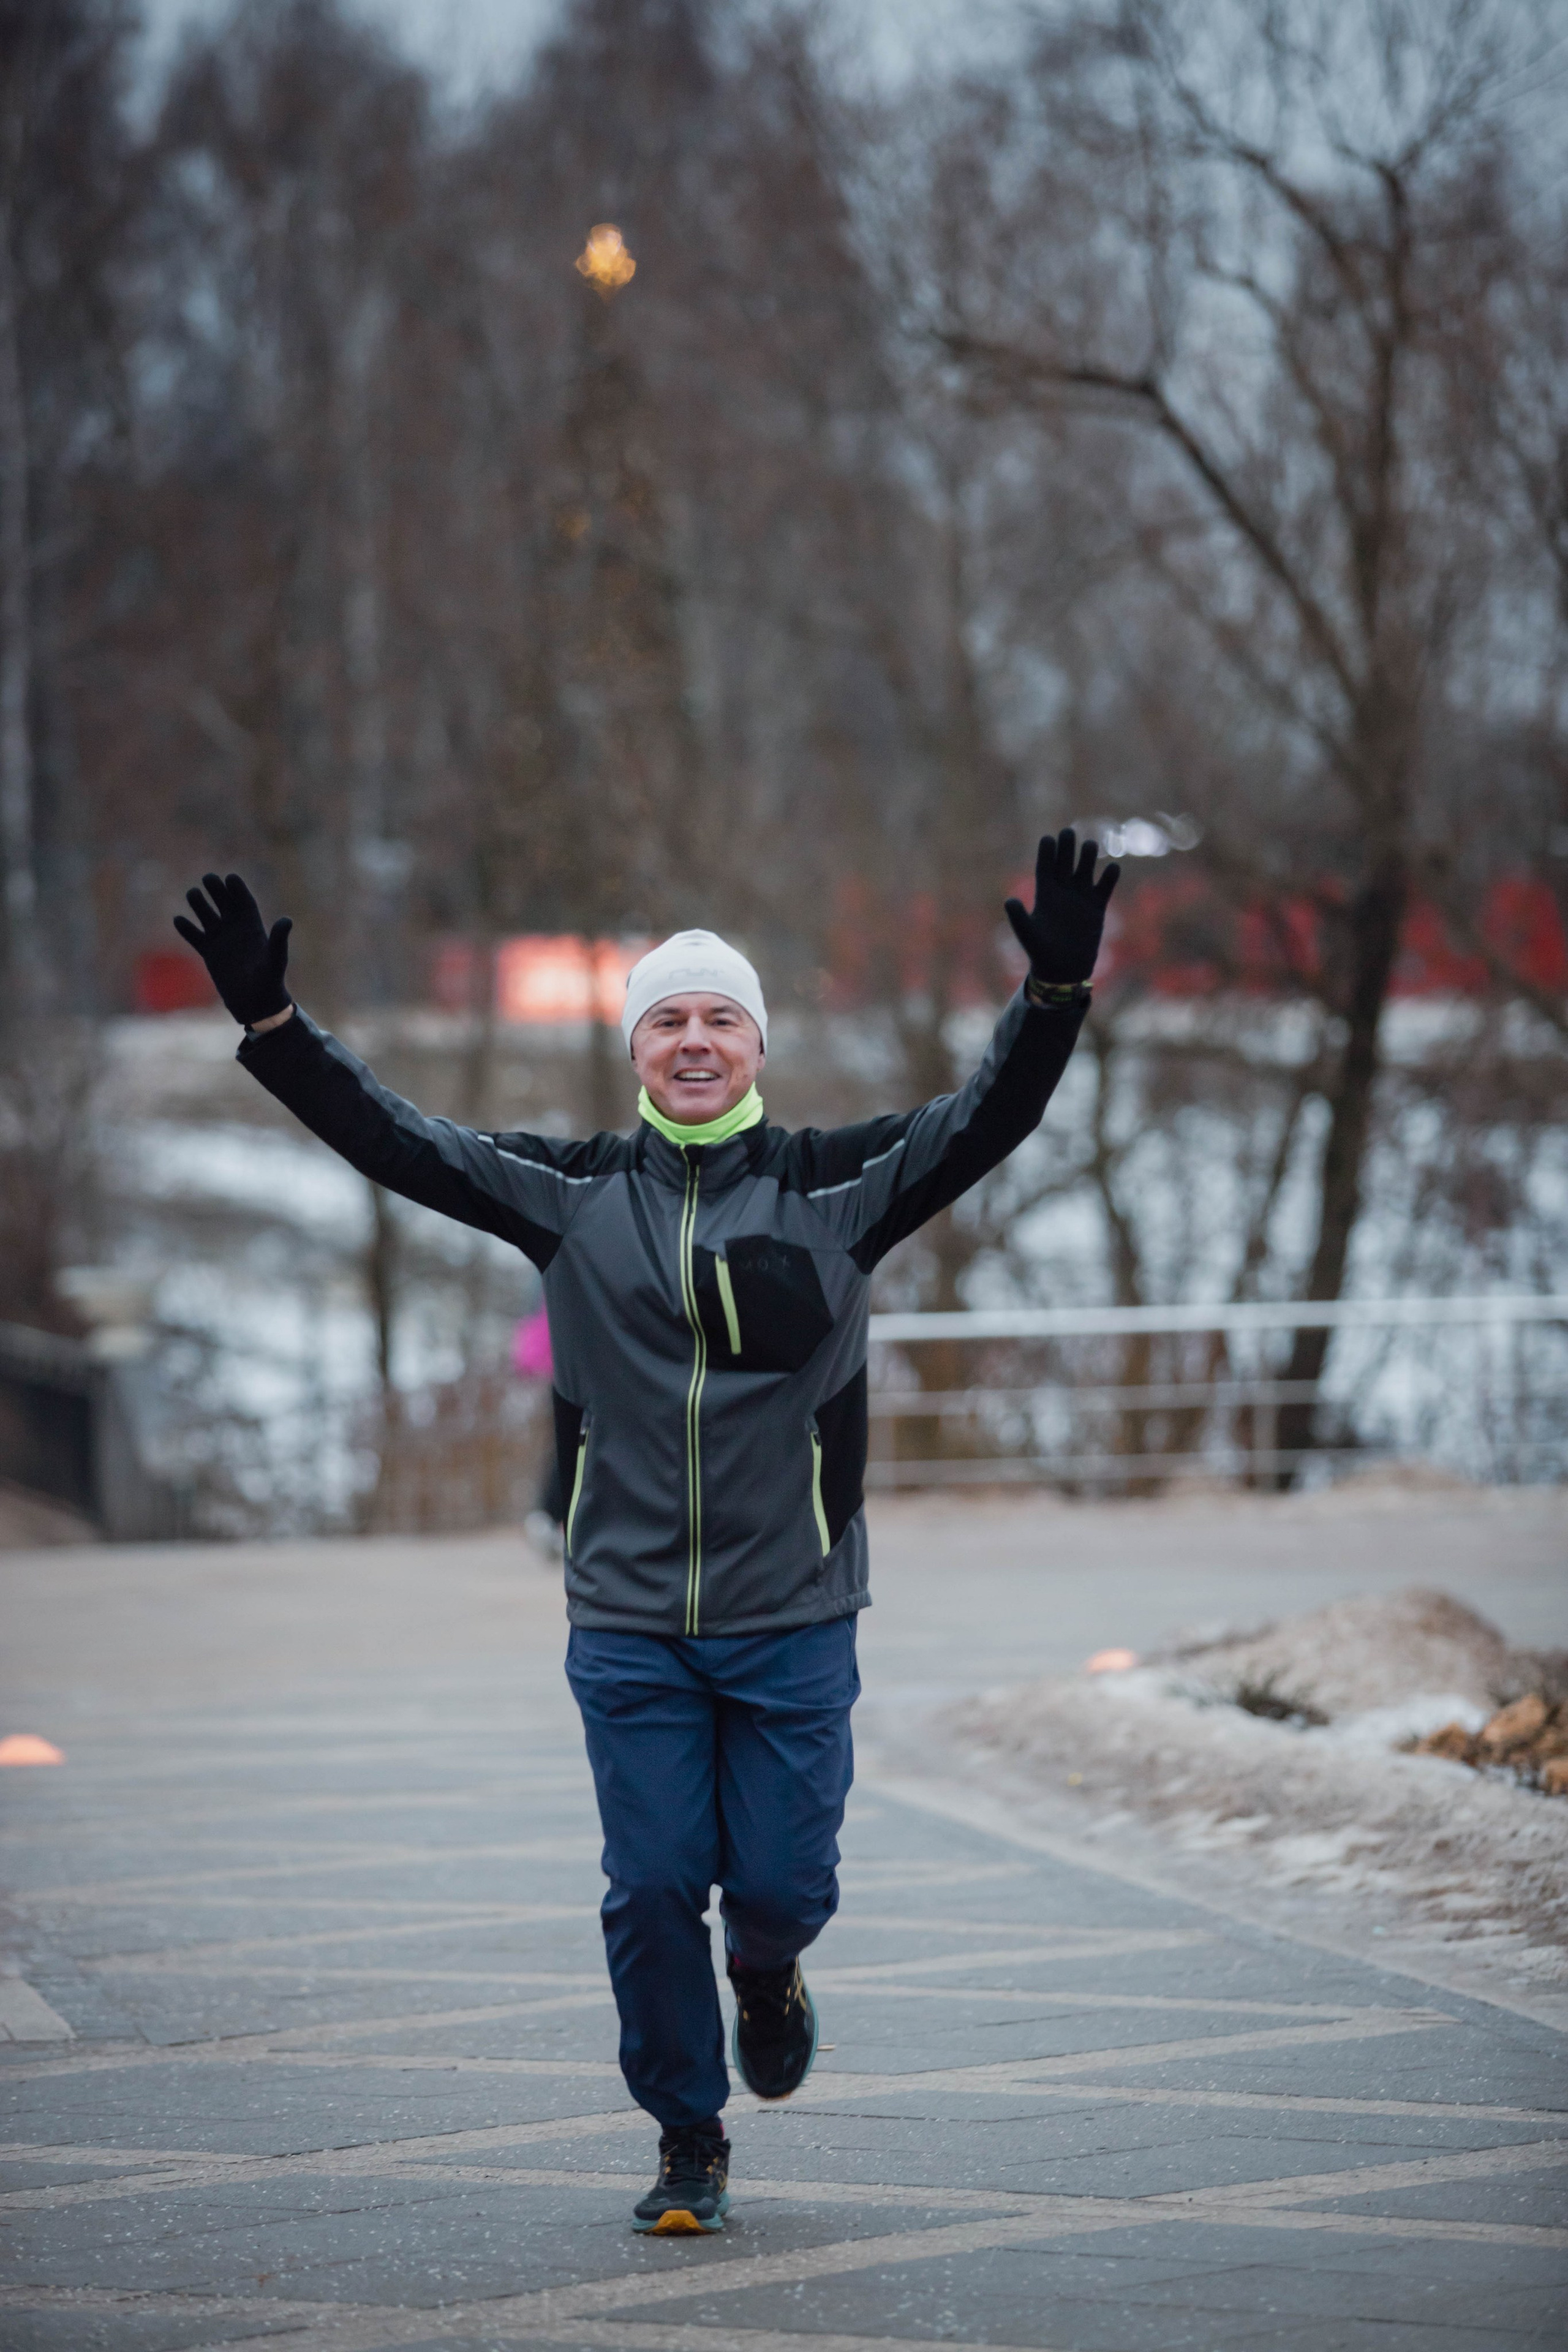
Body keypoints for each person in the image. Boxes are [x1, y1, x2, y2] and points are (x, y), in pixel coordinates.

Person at [172, 831, 1118, 2234]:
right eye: (666, 1018)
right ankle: (688, 2134)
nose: (692, 1039)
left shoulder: (832, 1187)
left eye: (718, 1017)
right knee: (653, 1883)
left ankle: (770, 1974)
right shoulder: (570, 1198)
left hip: (793, 1612)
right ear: (633, 1048)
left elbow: (986, 1120)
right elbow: (394, 1137)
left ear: (754, 1045)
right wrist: (273, 1026)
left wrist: (1050, 1000)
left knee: (781, 1885)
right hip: (627, 1621)